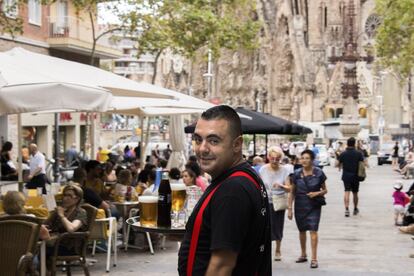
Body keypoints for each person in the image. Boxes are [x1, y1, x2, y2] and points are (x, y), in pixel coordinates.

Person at [178, 105, 271, 275]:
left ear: (237, 144)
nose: (202, 148)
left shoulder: (232, 189)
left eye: (214, 141)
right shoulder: (241, 177)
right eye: (198, 139)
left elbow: (222, 264)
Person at [288, 149, 328, 269]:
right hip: (300, 204)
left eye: (307, 158)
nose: (304, 160)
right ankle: (303, 254)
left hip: (314, 205)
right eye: (302, 158)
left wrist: (316, 194)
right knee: (302, 230)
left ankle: (314, 258)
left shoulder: (319, 173)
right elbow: (292, 191)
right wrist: (289, 208)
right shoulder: (296, 173)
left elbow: (325, 190)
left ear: (312, 160)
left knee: (313, 230)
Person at [259, 146, 291, 261]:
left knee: (278, 226)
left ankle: (278, 249)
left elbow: (289, 188)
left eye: (277, 158)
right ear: (268, 157)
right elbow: (259, 185)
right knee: (264, 227)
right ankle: (266, 249)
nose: (274, 160)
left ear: (280, 158)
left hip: (278, 202)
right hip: (265, 202)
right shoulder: (263, 169)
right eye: (272, 158)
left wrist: (281, 185)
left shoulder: (285, 170)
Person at [44, 185, 88, 257]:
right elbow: (46, 225)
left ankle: (39, 267)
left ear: (77, 199)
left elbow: (71, 229)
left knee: (39, 249)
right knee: (33, 246)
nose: (65, 198)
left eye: (69, 196)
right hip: (56, 243)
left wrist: (62, 216)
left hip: (70, 247)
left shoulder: (80, 212)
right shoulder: (61, 210)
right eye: (64, 195)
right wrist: (52, 214)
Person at [338, 137, 364, 217]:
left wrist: (341, 166)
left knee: (347, 192)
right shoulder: (359, 153)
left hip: (346, 176)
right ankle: (355, 208)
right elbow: (362, 164)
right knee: (355, 193)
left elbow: (338, 164)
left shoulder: (343, 153)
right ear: (354, 144)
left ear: (347, 144)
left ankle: (346, 209)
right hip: (356, 176)